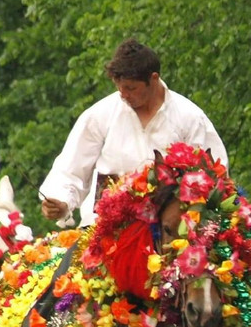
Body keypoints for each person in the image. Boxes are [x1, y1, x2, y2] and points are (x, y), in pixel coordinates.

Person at [39, 38, 227, 227]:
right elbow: (70, 170)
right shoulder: (99, 115)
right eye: (119, 87)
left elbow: (214, 175)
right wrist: (61, 201)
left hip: (172, 232)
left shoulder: (190, 117)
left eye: (130, 88)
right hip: (104, 229)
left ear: (153, 79)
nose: (123, 94)